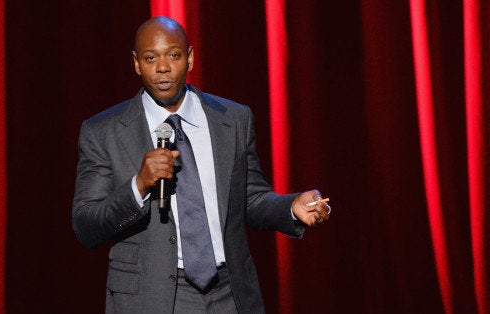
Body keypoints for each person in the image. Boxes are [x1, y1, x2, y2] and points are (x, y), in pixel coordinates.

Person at [72, 16, 331, 313]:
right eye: (150, 57)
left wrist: (291, 207)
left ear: (190, 57)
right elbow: (86, 225)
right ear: (136, 63)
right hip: (151, 298)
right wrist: (138, 185)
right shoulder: (104, 132)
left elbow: (251, 198)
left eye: (173, 55)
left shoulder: (233, 119)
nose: (163, 67)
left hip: (229, 292)